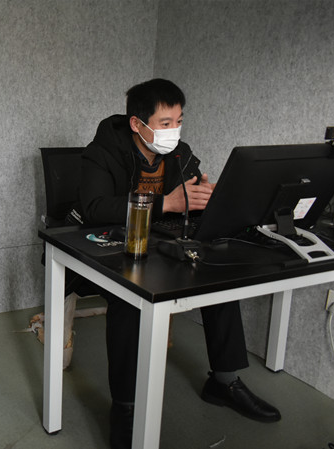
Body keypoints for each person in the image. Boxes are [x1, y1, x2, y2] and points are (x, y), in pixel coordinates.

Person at [78, 79, 281, 449]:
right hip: (109, 249)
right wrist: (165, 203)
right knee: (129, 299)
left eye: (179, 121)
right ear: (137, 124)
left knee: (216, 273)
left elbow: (191, 195)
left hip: (160, 245)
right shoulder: (102, 152)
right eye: (165, 123)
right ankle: (125, 408)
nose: (174, 130)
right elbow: (93, 209)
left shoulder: (179, 153)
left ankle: (224, 382)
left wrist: (209, 197)